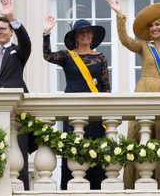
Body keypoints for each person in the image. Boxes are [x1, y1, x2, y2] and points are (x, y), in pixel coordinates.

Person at [106, 0, 160, 189]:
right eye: (151, 26)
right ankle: (136, 184)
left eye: (157, 24)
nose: (154, 28)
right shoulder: (144, 46)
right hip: (143, 92)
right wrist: (119, 16)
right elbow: (125, 41)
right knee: (141, 137)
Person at [42, 16, 111, 190]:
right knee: (73, 149)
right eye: (81, 33)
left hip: (95, 112)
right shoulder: (67, 56)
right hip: (72, 108)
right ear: (75, 37)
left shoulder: (101, 57)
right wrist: (46, 33)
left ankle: (96, 190)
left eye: (88, 32)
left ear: (92, 36)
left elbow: (106, 88)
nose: (85, 35)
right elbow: (48, 56)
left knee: (96, 152)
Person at [0, 0, 33, 190]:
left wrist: (12, 18)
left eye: (3, 28)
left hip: (17, 113)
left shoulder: (18, 51)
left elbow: (26, 42)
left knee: (19, 156)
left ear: (10, 32)